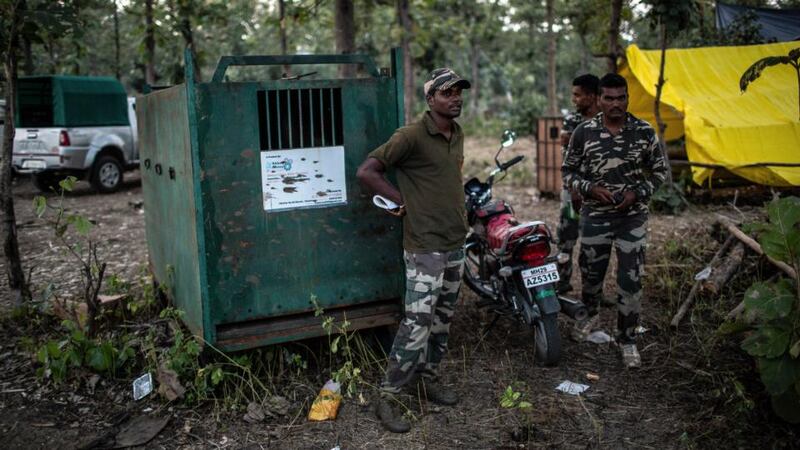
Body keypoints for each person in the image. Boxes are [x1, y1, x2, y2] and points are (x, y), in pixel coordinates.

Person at [356, 68, 471, 433]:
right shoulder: (411, 135)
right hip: (425, 247)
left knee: (442, 319)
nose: (455, 98)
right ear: (430, 99)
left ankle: (427, 378)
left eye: (458, 92)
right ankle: (388, 394)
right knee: (416, 324)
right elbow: (367, 171)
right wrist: (400, 201)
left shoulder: (457, 133)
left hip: (455, 242)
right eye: (447, 93)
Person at [561, 73, 668, 368]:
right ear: (599, 99)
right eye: (608, 98)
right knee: (591, 274)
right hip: (595, 216)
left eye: (621, 97)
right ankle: (590, 316)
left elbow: (659, 173)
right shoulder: (584, 132)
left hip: (631, 218)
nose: (615, 104)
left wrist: (637, 193)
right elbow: (568, 172)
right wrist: (589, 188)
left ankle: (628, 339)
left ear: (627, 98)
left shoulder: (644, 132)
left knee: (630, 279)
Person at [556, 74, 599, 295]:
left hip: (597, 195)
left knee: (593, 244)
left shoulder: (606, 121)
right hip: (572, 193)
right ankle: (562, 284)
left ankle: (592, 291)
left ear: (591, 96)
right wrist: (573, 190)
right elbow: (567, 160)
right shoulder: (572, 121)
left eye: (577, 95)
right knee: (566, 237)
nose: (574, 99)